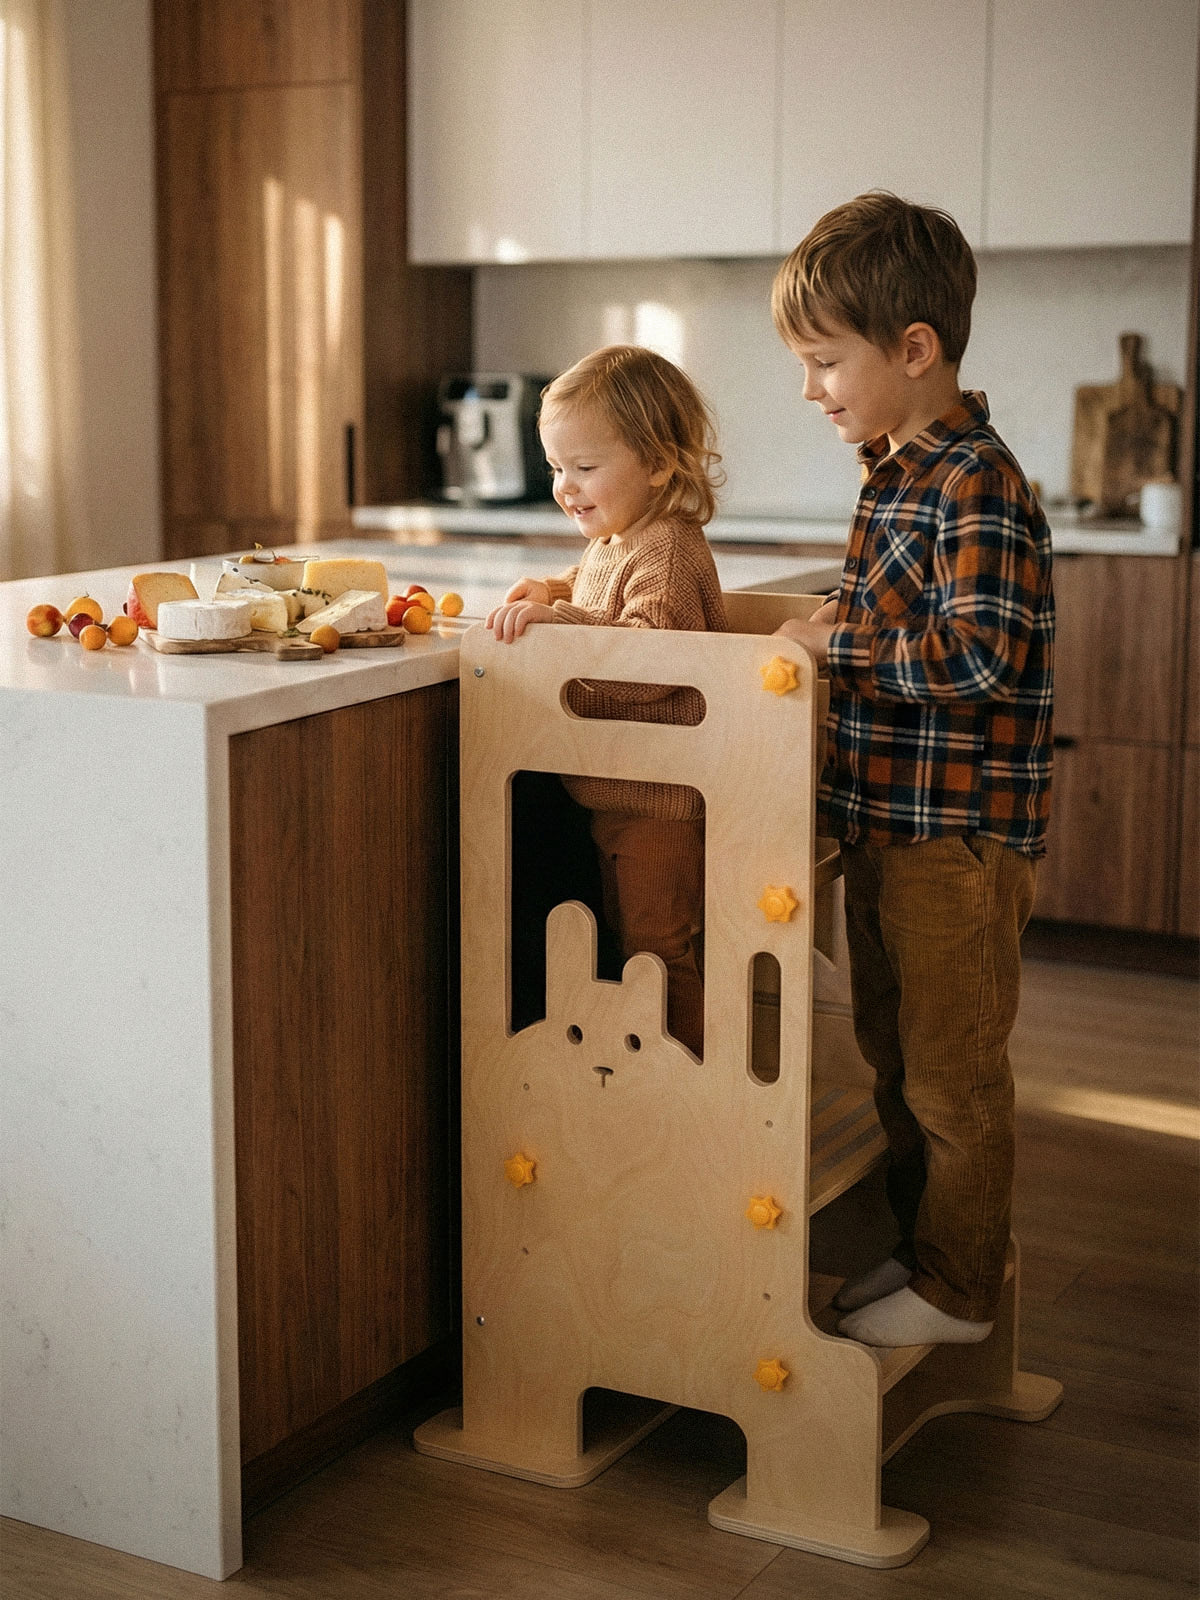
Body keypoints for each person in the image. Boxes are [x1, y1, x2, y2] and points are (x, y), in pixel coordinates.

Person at [769, 192, 1054, 1348]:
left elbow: (979, 656)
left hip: (956, 841)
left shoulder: (976, 480)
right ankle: (925, 1241)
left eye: (825, 361)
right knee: (894, 1059)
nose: (811, 389)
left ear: (915, 349)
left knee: (953, 1076)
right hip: (888, 823)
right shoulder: (895, 471)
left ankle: (961, 1290)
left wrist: (835, 643)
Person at [486, 344, 728, 1058]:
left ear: (658, 463)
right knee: (629, 948)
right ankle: (650, 1075)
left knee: (661, 952)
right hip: (618, 790)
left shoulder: (668, 546)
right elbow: (599, 590)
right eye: (556, 468)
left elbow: (651, 655)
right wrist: (554, 591)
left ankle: (692, 1081)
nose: (566, 488)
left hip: (662, 802)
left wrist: (563, 625)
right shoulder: (618, 539)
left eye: (585, 468)